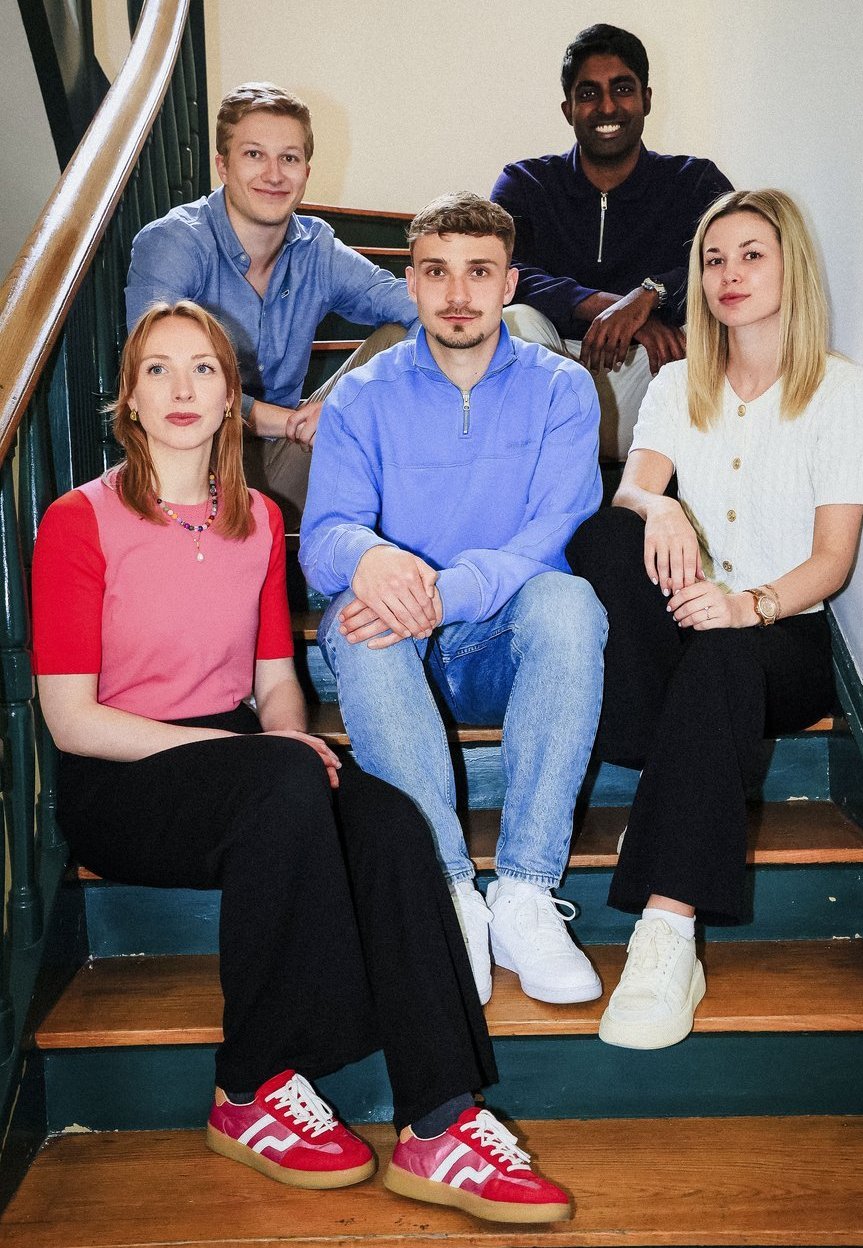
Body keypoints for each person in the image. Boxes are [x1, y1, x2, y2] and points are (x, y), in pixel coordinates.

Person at [31, 300, 570, 1224]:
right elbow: (74, 722)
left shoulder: (256, 523)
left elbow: (276, 680)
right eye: (156, 370)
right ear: (128, 399)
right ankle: (248, 1087)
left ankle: (440, 1120)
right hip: (122, 776)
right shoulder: (79, 520)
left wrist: (292, 737)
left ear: (233, 395)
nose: (181, 388)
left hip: (241, 764)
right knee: (283, 779)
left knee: (389, 817)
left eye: (202, 368)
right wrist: (262, 751)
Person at [567, 189, 863, 1050]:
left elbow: (832, 559)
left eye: (751, 255)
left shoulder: (841, 391)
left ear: (791, 269)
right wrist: (656, 509)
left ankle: (667, 934)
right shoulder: (675, 383)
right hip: (688, 616)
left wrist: (752, 606)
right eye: (713, 259)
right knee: (605, 531)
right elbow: (637, 484)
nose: (729, 275)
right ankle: (678, 781)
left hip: (783, 636)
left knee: (726, 658)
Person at [300, 193, 608, 1010]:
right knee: (357, 624)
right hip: (399, 647)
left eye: (480, 272)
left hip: (499, 641)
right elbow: (324, 534)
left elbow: (553, 529)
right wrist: (369, 559)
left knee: (571, 604)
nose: (459, 293)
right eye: (437, 272)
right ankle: (447, 895)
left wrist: (442, 589)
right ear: (413, 281)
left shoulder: (563, 391)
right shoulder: (363, 397)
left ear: (510, 283)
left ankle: (525, 892)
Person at [125, 82, 418, 528]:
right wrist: (287, 421)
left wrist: (349, 405)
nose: (274, 174)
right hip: (187, 458)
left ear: (306, 170)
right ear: (222, 166)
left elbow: (416, 307)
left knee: (399, 340)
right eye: (254, 155)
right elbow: (151, 377)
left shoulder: (315, 247)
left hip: (281, 463)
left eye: (289, 157)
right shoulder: (175, 243)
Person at [491, 23, 732, 460]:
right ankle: (546, 480)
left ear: (646, 99)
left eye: (622, 88)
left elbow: (725, 265)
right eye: (588, 94)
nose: (606, 107)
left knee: (711, 335)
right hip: (551, 370)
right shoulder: (525, 183)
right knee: (514, 320)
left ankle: (666, 486)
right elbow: (504, 273)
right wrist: (610, 306)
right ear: (568, 109)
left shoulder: (695, 182)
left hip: (647, 376)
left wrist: (647, 295)